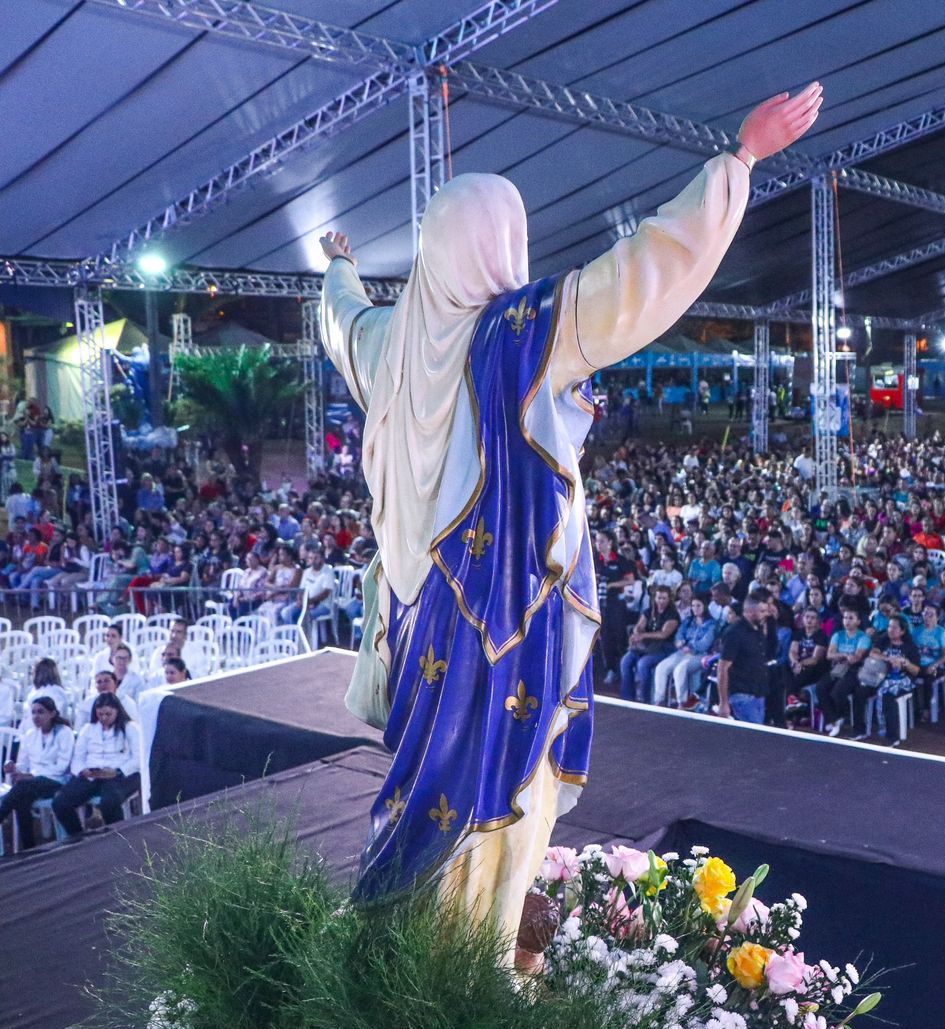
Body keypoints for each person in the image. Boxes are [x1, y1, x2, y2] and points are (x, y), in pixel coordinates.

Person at [318, 81, 824, 948]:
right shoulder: (519, 331)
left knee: (426, 772)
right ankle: (469, 955)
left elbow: (341, 319)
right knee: (500, 784)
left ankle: (407, 943)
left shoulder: (388, 343)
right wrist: (737, 163)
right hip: (503, 611)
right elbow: (643, 273)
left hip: (420, 613)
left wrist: (337, 264)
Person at [53, 693, 141, 836]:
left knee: (109, 802)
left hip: (121, 775)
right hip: (93, 774)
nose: (104, 718)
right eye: (100, 714)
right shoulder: (88, 729)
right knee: (60, 802)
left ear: (117, 711)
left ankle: (118, 838)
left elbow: (138, 759)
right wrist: (83, 770)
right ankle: (78, 837)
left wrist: (117, 771)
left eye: (108, 714)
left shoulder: (130, 728)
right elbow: (78, 757)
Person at [0, 697, 75, 850]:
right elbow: (25, 764)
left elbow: (62, 766)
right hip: (32, 783)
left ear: (52, 713)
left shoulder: (64, 732)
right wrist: (14, 767)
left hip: (56, 779)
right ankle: (30, 848)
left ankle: (3, 813)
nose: (36, 716)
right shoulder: (30, 734)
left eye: (41, 712)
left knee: (21, 788)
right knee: (21, 798)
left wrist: (32, 775)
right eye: (33, 712)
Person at [716, 592, 775, 725]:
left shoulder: (758, 630)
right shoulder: (734, 634)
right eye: (762, 611)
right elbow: (722, 668)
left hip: (758, 693)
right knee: (754, 738)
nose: (766, 614)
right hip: (741, 695)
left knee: (754, 737)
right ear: (749, 611)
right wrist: (723, 702)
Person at [650, 593, 718, 708]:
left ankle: (682, 702)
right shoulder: (688, 621)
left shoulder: (712, 624)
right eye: (693, 606)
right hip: (682, 652)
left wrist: (690, 646)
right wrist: (679, 641)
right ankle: (659, 700)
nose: (695, 609)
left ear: (705, 606)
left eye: (698, 606)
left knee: (680, 670)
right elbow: (679, 634)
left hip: (700, 655)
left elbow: (705, 643)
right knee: (662, 667)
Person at [619, 585, 680, 703]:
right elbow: (639, 625)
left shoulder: (672, 615)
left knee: (643, 664)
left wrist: (644, 635)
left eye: (664, 598)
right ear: (654, 598)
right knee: (625, 662)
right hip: (646, 647)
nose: (661, 601)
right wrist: (637, 633)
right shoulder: (649, 611)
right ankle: (627, 698)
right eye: (659, 598)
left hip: (663, 648)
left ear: (669, 599)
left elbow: (664, 634)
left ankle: (645, 698)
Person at [822, 608, 874, 737]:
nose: (847, 621)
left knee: (837, 692)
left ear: (858, 621)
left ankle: (843, 716)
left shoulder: (863, 637)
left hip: (854, 671)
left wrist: (841, 656)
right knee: (820, 688)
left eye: (851, 618)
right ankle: (834, 719)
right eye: (845, 618)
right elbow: (829, 654)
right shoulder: (838, 635)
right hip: (838, 668)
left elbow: (856, 657)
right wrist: (845, 655)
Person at [783, 607, 831, 724]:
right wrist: (795, 662)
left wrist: (800, 664)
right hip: (799, 666)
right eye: (807, 617)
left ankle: (791, 712)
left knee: (805, 671)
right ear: (803, 618)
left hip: (815, 669)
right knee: (784, 669)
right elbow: (792, 651)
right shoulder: (798, 633)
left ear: (818, 620)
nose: (809, 620)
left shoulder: (821, 635)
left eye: (813, 618)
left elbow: (815, 659)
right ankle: (795, 705)